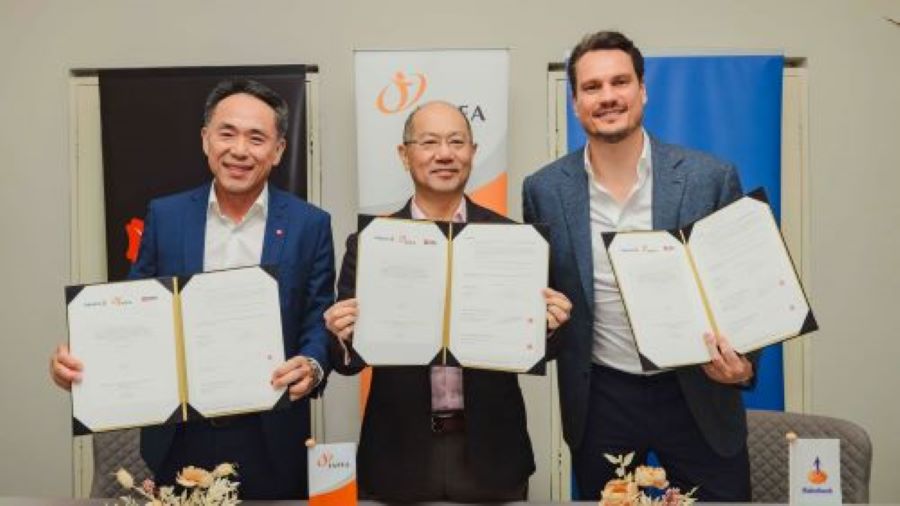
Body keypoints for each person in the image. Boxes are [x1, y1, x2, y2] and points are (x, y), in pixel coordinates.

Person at [50, 79, 335, 499]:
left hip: (272, 437)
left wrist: (312, 364)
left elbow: (317, 316)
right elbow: (134, 313)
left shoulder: (310, 224)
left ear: (278, 151)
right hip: (180, 436)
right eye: (227, 133)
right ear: (205, 140)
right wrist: (83, 365)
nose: (239, 150)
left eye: (256, 138)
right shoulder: (166, 216)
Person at [522, 31, 757, 501]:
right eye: (592, 87)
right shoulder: (543, 190)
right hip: (601, 398)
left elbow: (744, 288)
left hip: (699, 390)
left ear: (643, 90)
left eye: (620, 82)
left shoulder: (710, 177)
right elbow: (542, 302)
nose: (607, 96)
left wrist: (745, 367)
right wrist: (540, 323)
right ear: (575, 102)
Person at [324, 100, 572, 502]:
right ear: (404, 154)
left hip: (492, 453)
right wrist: (339, 333)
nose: (444, 154)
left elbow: (548, 348)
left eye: (456, 142)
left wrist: (552, 325)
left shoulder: (515, 242)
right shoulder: (372, 243)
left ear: (473, 152)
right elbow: (347, 363)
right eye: (429, 142)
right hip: (398, 453)